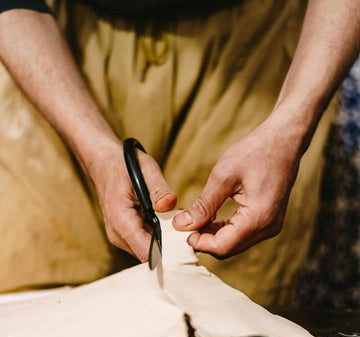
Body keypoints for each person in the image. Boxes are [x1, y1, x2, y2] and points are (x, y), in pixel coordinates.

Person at [0, 0, 359, 305]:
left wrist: (289, 126)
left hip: (257, 45)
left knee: (229, 321)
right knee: (44, 314)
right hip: (49, 42)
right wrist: (95, 151)